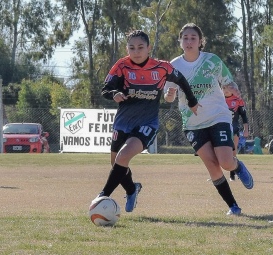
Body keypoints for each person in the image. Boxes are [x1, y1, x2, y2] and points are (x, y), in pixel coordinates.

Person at [89, 30, 200, 213]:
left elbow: (182, 80)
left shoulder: (161, 68)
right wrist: (114, 94)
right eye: (132, 48)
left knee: (122, 157)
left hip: (147, 123)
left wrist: (192, 101)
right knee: (116, 163)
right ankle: (132, 189)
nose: (136, 51)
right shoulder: (122, 66)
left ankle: (102, 196)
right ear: (127, 49)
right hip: (122, 123)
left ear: (149, 48)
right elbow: (105, 89)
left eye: (141, 47)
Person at [164, 23, 253, 216]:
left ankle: (237, 166)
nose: (189, 41)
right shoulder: (174, 66)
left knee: (226, 163)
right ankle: (233, 207)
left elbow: (228, 82)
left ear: (200, 41)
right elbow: (168, 97)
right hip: (192, 124)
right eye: (185, 38)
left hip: (218, 117)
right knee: (212, 165)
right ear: (180, 41)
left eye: (193, 38)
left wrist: (231, 88)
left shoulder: (212, 61)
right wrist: (170, 94)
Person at [222, 82, 249, 181]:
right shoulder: (218, 99)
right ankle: (216, 175)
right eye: (223, 88)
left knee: (233, 152)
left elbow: (244, 116)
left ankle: (232, 174)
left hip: (234, 129)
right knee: (217, 151)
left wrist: (246, 129)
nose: (225, 90)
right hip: (220, 128)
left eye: (227, 88)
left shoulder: (238, 100)